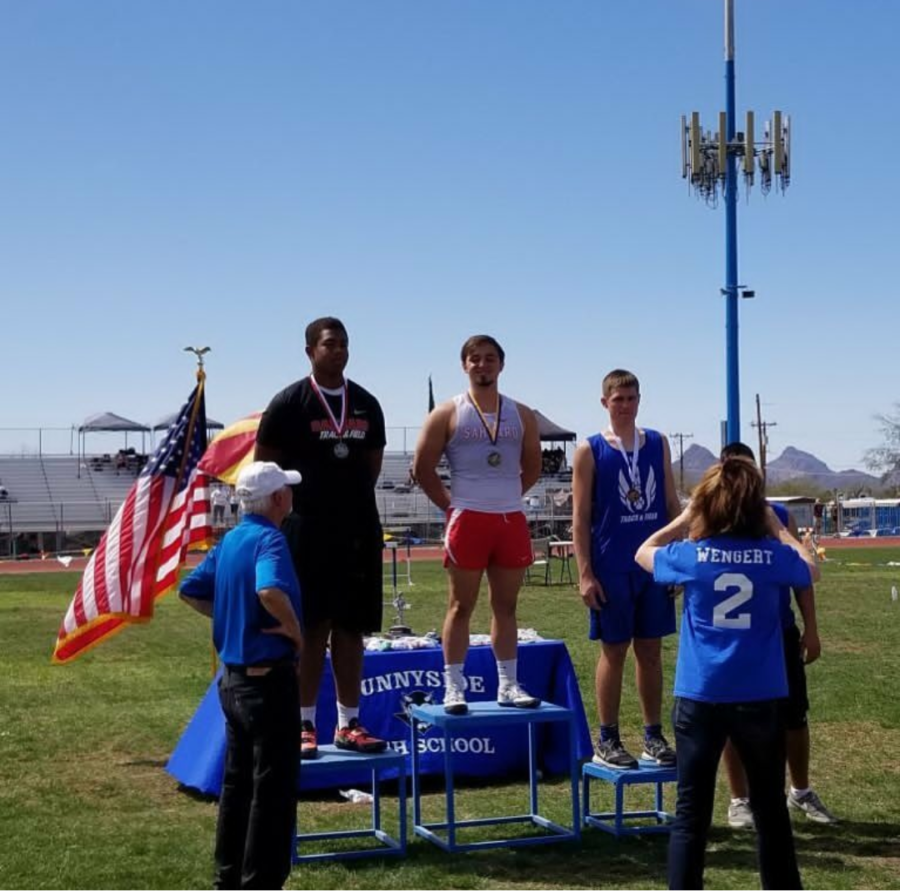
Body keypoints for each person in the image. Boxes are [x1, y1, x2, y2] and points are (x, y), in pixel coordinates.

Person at [636, 455, 819, 890]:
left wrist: (683, 519)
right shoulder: (772, 556)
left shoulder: (693, 555)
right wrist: (778, 529)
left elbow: (642, 553)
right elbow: (810, 568)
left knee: (690, 815)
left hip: (701, 695)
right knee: (771, 811)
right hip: (759, 695)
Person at [254, 316, 387, 759]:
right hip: (306, 530)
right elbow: (266, 470)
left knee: (351, 629)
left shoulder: (366, 403)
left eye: (344, 344)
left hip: (356, 530)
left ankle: (349, 724)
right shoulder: (289, 403)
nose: (339, 351)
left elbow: (370, 467)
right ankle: (304, 724)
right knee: (311, 629)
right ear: (310, 350)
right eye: (330, 344)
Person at [179, 461, 304, 890]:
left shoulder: (230, 540)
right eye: (286, 491)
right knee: (271, 792)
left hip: (232, 682)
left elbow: (190, 589)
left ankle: (228, 877)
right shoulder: (270, 539)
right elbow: (269, 590)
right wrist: (293, 629)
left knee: (238, 787)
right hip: (266, 681)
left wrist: (229, 615)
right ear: (277, 499)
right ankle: (260, 882)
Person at [413, 334, 542, 714]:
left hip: (510, 517)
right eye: (474, 359)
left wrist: (505, 495)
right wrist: (452, 507)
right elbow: (423, 467)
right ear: (464, 365)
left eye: (489, 359)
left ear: (501, 365)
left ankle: (508, 685)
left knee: (506, 606)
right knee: (460, 606)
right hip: (467, 517)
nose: (482, 365)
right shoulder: (447, 413)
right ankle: (454, 687)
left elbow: (533, 465)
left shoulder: (522, 414)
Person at [718, 442, 836, 829]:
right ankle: (739, 799)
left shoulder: (776, 516)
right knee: (733, 721)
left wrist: (812, 630)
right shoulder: (714, 515)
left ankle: (800, 791)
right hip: (733, 639)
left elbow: (803, 580)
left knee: (793, 715)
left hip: (777, 633)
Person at [572, 369, 681, 769]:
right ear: (605, 402)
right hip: (611, 566)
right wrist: (585, 573)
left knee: (651, 652)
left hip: (652, 565)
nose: (626, 405)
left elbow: (671, 504)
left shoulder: (657, 443)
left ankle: (653, 735)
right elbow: (580, 518)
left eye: (632, 398)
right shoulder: (590, 449)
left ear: (640, 400)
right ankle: (608, 737)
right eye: (618, 399)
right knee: (614, 651)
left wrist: (677, 557)